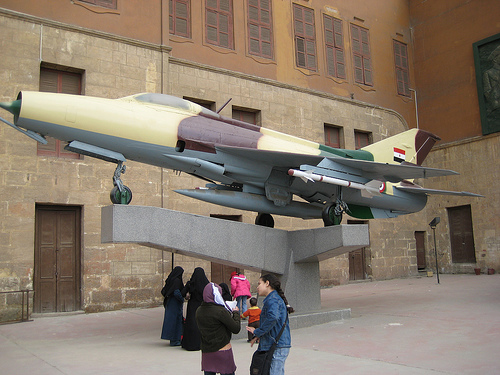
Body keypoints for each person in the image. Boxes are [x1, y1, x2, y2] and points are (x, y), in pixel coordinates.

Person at [246, 274, 294, 375]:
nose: (257, 287)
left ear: (267, 283)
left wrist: (257, 331)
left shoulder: (273, 300)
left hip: (278, 345)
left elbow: (273, 317)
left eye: (259, 284)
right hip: (277, 344)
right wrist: (258, 335)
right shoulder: (273, 299)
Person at [196, 282, 241, 375]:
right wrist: (236, 313)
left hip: (207, 350)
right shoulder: (220, 311)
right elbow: (236, 328)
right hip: (222, 349)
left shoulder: (199, 311)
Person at [181, 267, 209, 351]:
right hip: (202, 306)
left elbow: (182, 293)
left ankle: (190, 344)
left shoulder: (191, 283)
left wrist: (187, 295)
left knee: (191, 323)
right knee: (202, 324)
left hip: (192, 305)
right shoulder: (206, 284)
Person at [160, 266, 184, 346]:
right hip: (175, 303)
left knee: (171, 321)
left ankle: (172, 338)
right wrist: (182, 299)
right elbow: (176, 292)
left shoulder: (170, 279)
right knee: (176, 321)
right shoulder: (177, 281)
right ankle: (175, 340)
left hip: (169, 302)